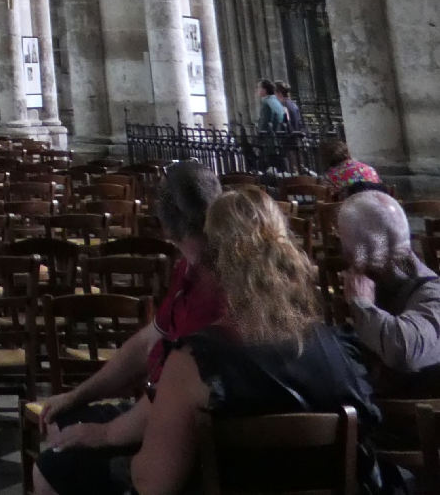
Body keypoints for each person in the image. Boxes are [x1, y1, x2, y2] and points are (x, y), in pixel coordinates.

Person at [127, 187, 381, 495]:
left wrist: (131, 460)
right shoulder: (340, 349)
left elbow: (154, 484)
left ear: (214, 265)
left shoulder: (194, 360)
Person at [36, 162, 226, 495]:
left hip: (197, 437)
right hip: (195, 417)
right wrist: (77, 395)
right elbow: (147, 342)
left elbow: (173, 401)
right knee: (64, 425)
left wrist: (103, 433)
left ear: (164, 226)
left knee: (53, 463)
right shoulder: (194, 270)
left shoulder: (211, 292)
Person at [338, 188, 440, 393]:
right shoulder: (377, 284)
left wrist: (362, 305)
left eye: (344, 244)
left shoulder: (432, 292)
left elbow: (405, 351)